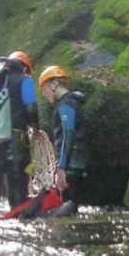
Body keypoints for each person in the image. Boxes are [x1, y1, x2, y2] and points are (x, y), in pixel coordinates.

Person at [0, 51, 40, 213]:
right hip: (16, 142)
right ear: (25, 68)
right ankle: (17, 217)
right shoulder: (25, 81)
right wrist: (35, 128)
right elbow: (31, 108)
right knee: (17, 199)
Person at [38, 65, 86, 206]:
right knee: (70, 208)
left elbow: (68, 135)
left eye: (44, 89)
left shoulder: (66, 105)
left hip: (71, 166)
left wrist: (61, 169)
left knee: (66, 207)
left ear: (53, 84)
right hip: (76, 164)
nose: (44, 94)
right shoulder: (74, 103)